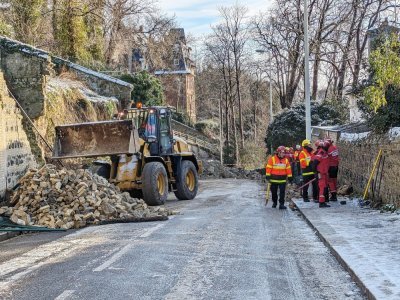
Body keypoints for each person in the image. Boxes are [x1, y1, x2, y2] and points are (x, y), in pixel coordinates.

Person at [313, 140, 331, 208]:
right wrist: (316, 172)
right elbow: (315, 163)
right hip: (321, 173)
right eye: (327, 146)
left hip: (324, 173)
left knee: (324, 187)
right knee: (322, 187)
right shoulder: (321, 153)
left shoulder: (325, 153)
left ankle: (323, 201)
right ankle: (321, 202)